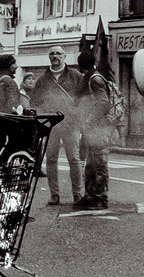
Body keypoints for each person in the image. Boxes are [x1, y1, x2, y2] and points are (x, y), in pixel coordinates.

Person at [29, 45, 84, 206]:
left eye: (58, 53)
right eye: (52, 54)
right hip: (50, 125)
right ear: (49, 57)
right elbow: (35, 102)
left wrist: (78, 116)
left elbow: (84, 98)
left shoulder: (75, 76)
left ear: (64, 56)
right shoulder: (43, 79)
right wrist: (42, 119)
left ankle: (78, 194)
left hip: (71, 124)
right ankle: (54, 195)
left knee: (74, 159)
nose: (55, 56)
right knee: (51, 159)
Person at [71, 48, 117, 208]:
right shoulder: (90, 77)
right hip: (92, 128)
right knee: (91, 164)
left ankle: (101, 198)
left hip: (99, 128)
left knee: (99, 164)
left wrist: (89, 120)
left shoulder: (94, 79)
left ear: (79, 65)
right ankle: (91, 195)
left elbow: (103, 103)